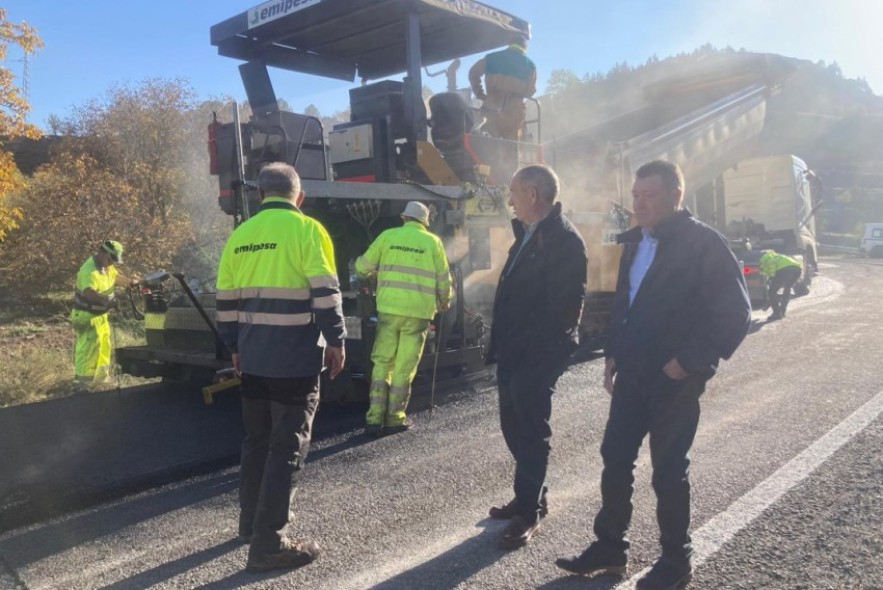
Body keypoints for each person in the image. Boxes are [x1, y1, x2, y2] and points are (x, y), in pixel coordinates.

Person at [555, 160, 751, 590]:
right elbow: (627, 306)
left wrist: (690, 361)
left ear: (676, 196)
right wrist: (613, 354)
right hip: (633, 373)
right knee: (615, 459)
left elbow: (735, 311)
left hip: (675, 378)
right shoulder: (635, 242)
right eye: (636, 195)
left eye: (650, 195)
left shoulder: (704, 244)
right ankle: (610, 549)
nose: (639, 203)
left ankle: (676, 561)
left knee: (667, 471)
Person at [216, 162, 346, 574]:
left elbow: (225, 301)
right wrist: (338, 340)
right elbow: (325, 293)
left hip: (253, 359)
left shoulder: (240, 236)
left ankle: (249, 525)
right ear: (299, 196)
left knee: (256, 440)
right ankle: (269, 544)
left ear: (260, 196)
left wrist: (234, 346)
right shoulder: (308, 230)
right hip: (294, 360)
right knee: (286, 447)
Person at [487, 164, 588, 550]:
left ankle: (528, 512)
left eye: (513, 192)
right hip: (514, 349)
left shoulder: (563, 239)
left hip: (538, 353)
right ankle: (530, 493)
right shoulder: (528, 235)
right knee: (512, 424)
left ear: (532, 194)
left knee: (531, 428)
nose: (509, 199)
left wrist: (542, 354)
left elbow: (566, 306)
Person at [355, 201, 452, 436]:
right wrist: (444, 301)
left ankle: (374, 419)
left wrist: (370, 273)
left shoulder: (387, 236)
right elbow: (443, 278)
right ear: (425, 222)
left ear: (404, 218)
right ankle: (395, 418)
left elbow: (362, 267)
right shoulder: (433, 242)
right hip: (418, 314)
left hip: (389, 311)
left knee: (382, 362)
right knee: (404, 366)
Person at [71, 240, 139, 390]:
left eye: (113, 261)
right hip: (86, 315)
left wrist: (130, 282)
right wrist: (107, 303)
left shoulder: (106, 266)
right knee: (90, 350)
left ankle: (101, 381)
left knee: (104, 347)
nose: (110, 264)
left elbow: (115, 277)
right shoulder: (89, 270)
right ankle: (83, 385)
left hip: (100, 315)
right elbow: (89, 293)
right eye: (110, 260)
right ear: (102, 253)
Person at [468, 34, 537, 141]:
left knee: (487, 144)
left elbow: (473, 73)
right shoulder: (530, 65)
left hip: (491, 109)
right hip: (514, 113)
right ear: (524, 48)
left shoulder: (491, 58)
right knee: (511, 148)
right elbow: (530, 91)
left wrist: (480, 95)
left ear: (510, 45)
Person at [758, 249, 801, 321]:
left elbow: (771, 267)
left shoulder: (765, 258)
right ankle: (782, 311)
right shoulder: (776, 256)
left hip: (784, 270)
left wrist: (771, 277)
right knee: (787, 288)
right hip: (797, 269)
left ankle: (777, 313)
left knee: (771, 292)